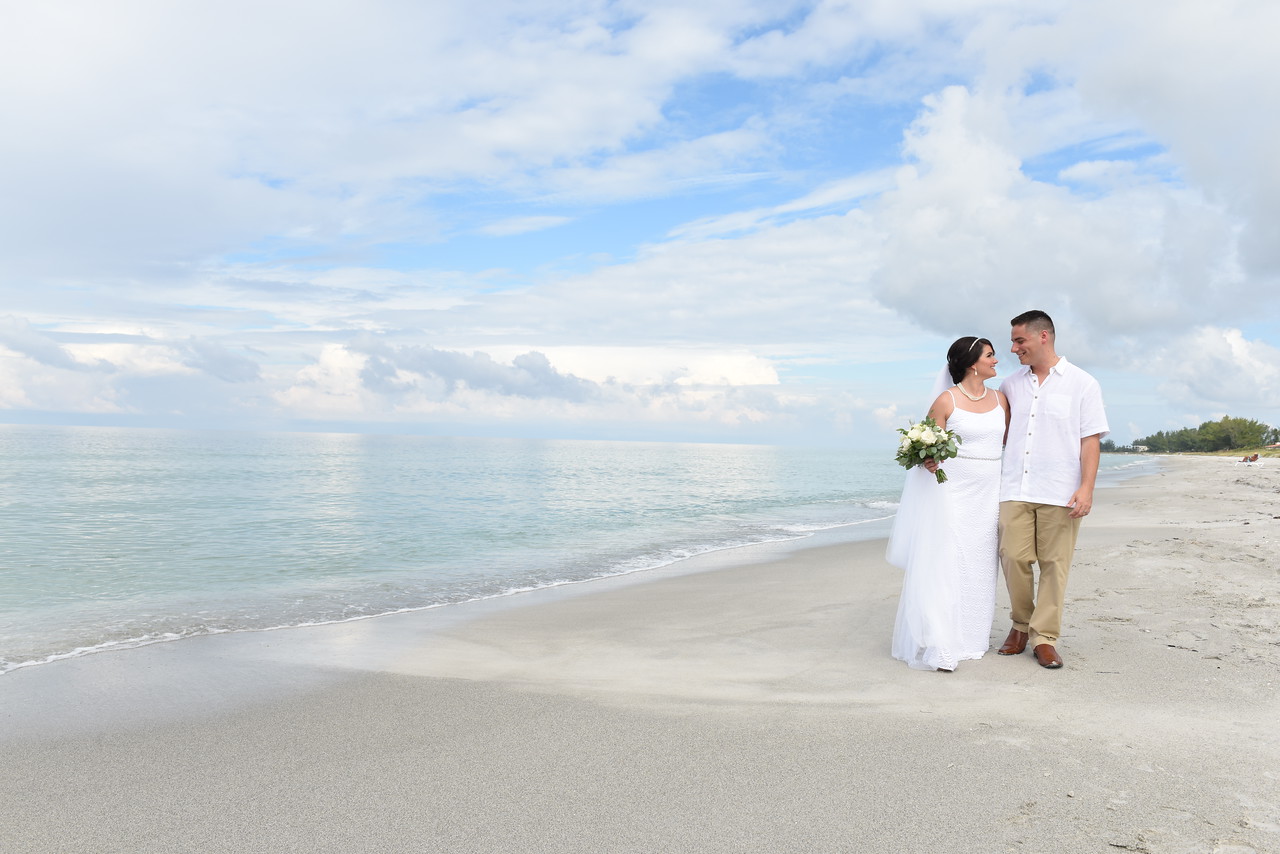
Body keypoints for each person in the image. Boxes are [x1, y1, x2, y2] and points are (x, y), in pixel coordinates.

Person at [888, 335, 1010, 671]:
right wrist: (928, 461)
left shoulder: (1001, 401)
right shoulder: (946, 401)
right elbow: (925, 449)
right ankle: (942, 641)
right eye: (990, 355)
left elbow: (1008, 445)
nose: (996, 360)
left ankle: (972, 637)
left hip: (989, 494)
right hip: (952, 493)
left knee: (981, 565)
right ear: (973, 363)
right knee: (948, 562)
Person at [996, 310, 1109, 669]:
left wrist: (1086, 488)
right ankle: (1020, 624)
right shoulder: (1010, 385)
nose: (1014, 348)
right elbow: (998, 435)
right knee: (1013, 558)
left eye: (1019, 341)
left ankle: (1044, 638)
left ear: (1043, 336)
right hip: (1014, 486)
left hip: (1060, 490)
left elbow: (1090, 441)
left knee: (1055, 566)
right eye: (1014, 341)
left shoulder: (1083, 383)